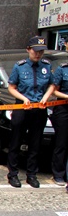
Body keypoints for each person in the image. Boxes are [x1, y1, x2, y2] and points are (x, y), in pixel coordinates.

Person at [6, 36, 55, 188]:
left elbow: (52, 85)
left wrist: (46, 98)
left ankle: (31, 174)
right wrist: (23, 98)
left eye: (41, 51)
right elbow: (11, 87)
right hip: (22, 107)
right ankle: (13, 174)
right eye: (35, 51)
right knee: (16, 142)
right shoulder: (19, 67)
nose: (38, 54)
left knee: (35, 143)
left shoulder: (46, 66)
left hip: (39, 109)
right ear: (28, 50)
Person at [50, 54, 68, 185]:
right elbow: (54, 91)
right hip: (63, 108)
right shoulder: (62, 69)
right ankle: (58, 174)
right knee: (61, 143)